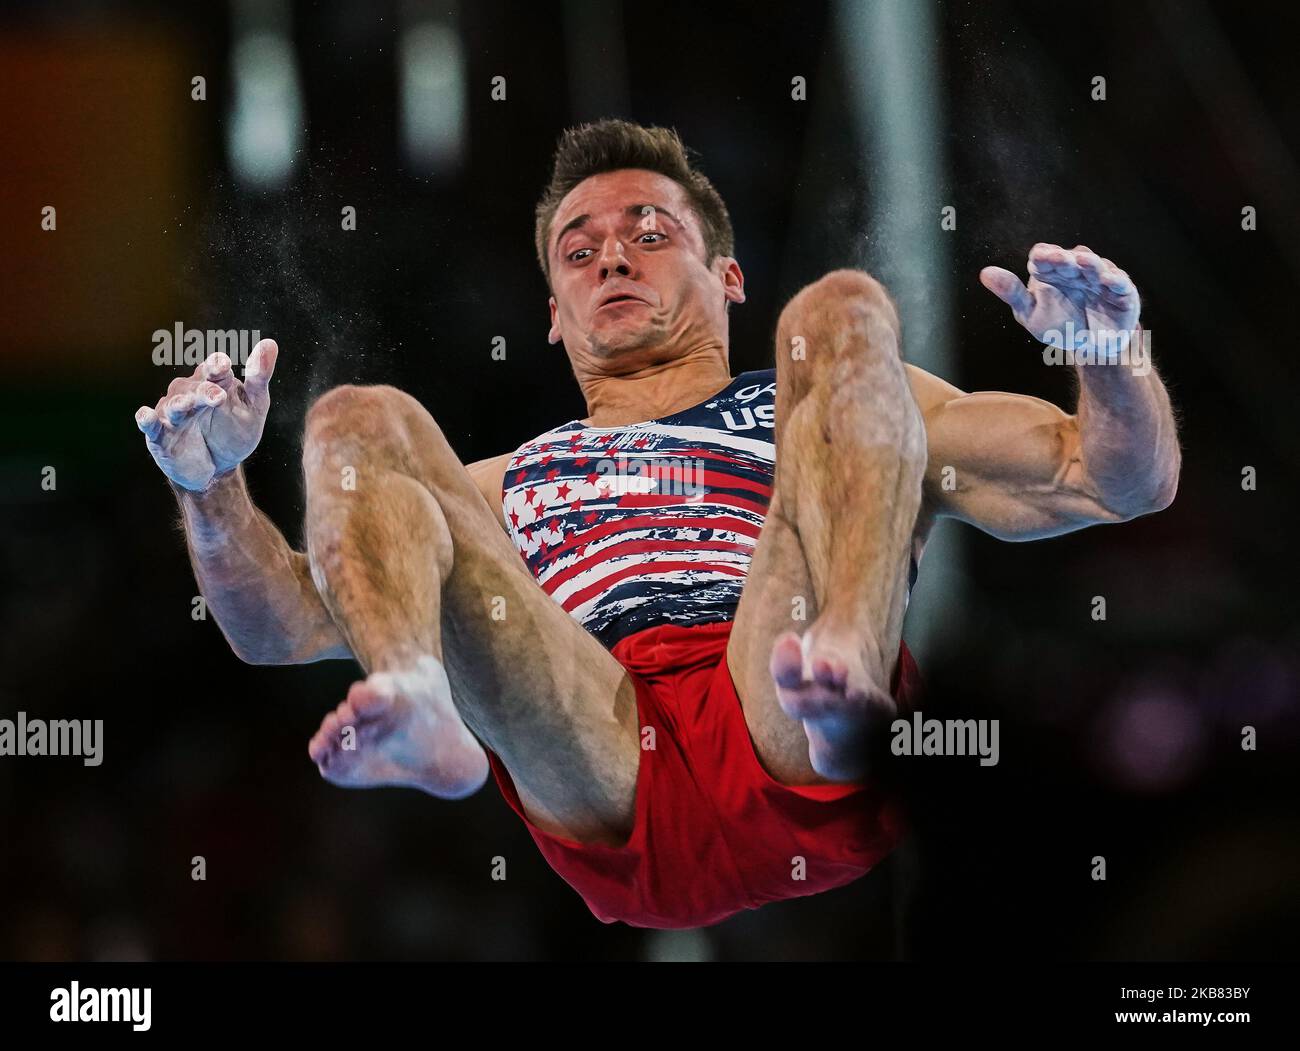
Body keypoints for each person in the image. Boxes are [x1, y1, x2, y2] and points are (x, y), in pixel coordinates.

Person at [135, 119, 1180, 929]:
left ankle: (845, 679)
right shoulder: (498, 485)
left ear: (726, 276)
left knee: (839, 312)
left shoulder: (821, 405)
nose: (613, 261)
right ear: (551, 312)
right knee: (358, 420)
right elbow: (273, 627)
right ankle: (417, 698)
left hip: (780, 687)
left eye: (649, 232)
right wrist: (208, 486)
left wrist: (1111, 358)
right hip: (598, 749)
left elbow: (1110, 480)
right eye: (578, 253)